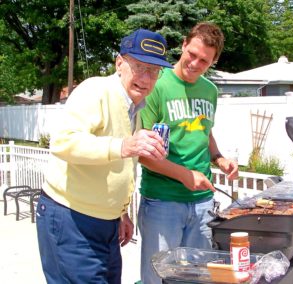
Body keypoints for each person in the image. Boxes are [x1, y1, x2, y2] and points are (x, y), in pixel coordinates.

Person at [36, 29, 173, 284]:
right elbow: (63, 142)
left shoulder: (136, 107)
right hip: (71, 218)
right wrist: (125, 146)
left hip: (105, 223)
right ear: (119, 63)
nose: (146, 78)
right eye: (140, 66)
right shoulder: (95, 90)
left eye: (154, 71)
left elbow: (118, 168)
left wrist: (121, 213)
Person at [138, 22, 239, 284]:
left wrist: (220, 159)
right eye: (191, 54)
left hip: (203, 202)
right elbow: (143, 153)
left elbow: (205, 131)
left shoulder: (210, 90)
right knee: (157, 277)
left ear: (213, 61)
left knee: (199, 277)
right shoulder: (157, 85)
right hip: (162, 200)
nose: (194, 63)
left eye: (204, 60)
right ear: (183, 45)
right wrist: (184, 175)